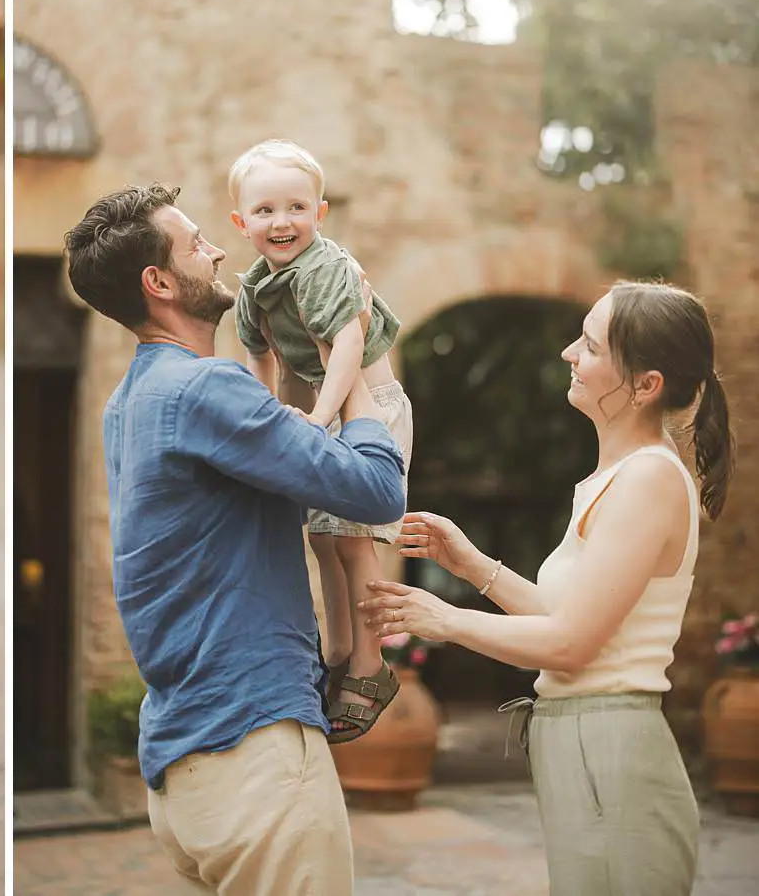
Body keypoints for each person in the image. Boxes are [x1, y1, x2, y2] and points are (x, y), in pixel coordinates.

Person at [63, 183, 406, 895]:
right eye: (195, 245)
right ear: (159, 283)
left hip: (186, 768)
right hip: (256, 757)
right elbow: (377, 490)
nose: (218, 251)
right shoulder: (205, 390)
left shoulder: (129, 402)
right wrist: (356, 349)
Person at [360, 281, 733, 896]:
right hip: (586, 743)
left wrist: (444, 619)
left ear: (646, 385)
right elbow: (565, 617)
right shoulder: (618, 477)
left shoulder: (648, 479)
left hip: (612, 752)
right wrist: (473, 566)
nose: (568, 353)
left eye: (590, 346)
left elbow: (570, 645)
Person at [228, 139, 414, 741]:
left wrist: (321, 418)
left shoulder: (326, 268)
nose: (281, 221)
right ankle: (336, 650)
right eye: (264, 210)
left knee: (355, 542)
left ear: (320, 213)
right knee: (322, 538)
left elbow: (348, 347)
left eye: (296, 207)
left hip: (368, 408)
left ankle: (370, 664)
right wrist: (264, 422)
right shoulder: (255, 287)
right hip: (321, 412)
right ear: (241, 222)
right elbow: (262, 360)